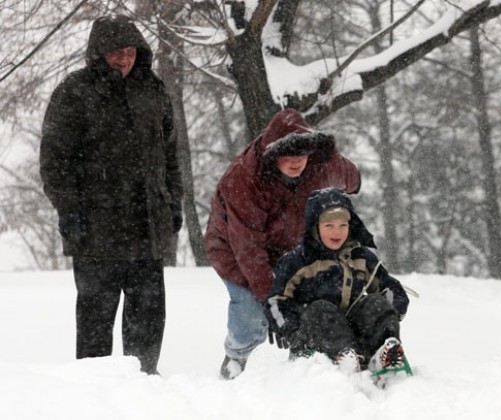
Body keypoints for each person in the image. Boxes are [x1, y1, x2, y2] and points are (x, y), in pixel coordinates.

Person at [39, 15, 183, 375]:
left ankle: (144, 377)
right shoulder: (74, 92)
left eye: (131, 51)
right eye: (117, 52)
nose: (125, 59)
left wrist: (173, 203)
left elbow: (169, 157)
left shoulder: (153, 90)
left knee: (149, 311)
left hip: (147, 224)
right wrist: (70, 211)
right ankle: (95, 388)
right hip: (95, 229)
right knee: (96, 317)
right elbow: (55, 162)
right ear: (99, 52)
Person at [204, 108, 361, 379]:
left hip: (289, 249)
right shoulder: (244, 178)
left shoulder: (319, 163)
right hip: (235, 249)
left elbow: (352, 179)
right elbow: (248, 249)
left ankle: (301, 365)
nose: (295, 162)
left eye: (301, 155)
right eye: (287, 155)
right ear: (273, 153)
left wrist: (343, 173)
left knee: (309, 305)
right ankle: (236, 358)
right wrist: (271, 300)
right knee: (253, 314)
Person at [264, 187, 411, 381]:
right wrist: (290, 330)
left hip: (355, 332)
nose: (337, 231)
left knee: (374, 302)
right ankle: (344, 357)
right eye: (329, 226)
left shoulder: (360, 257)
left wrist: (388, 315)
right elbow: (276, 301)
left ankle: (384, 354)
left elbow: (392, 290)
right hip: (315, 336)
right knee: (321, 309)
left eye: (343, 225)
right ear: (315, 226)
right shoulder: (298, 261)